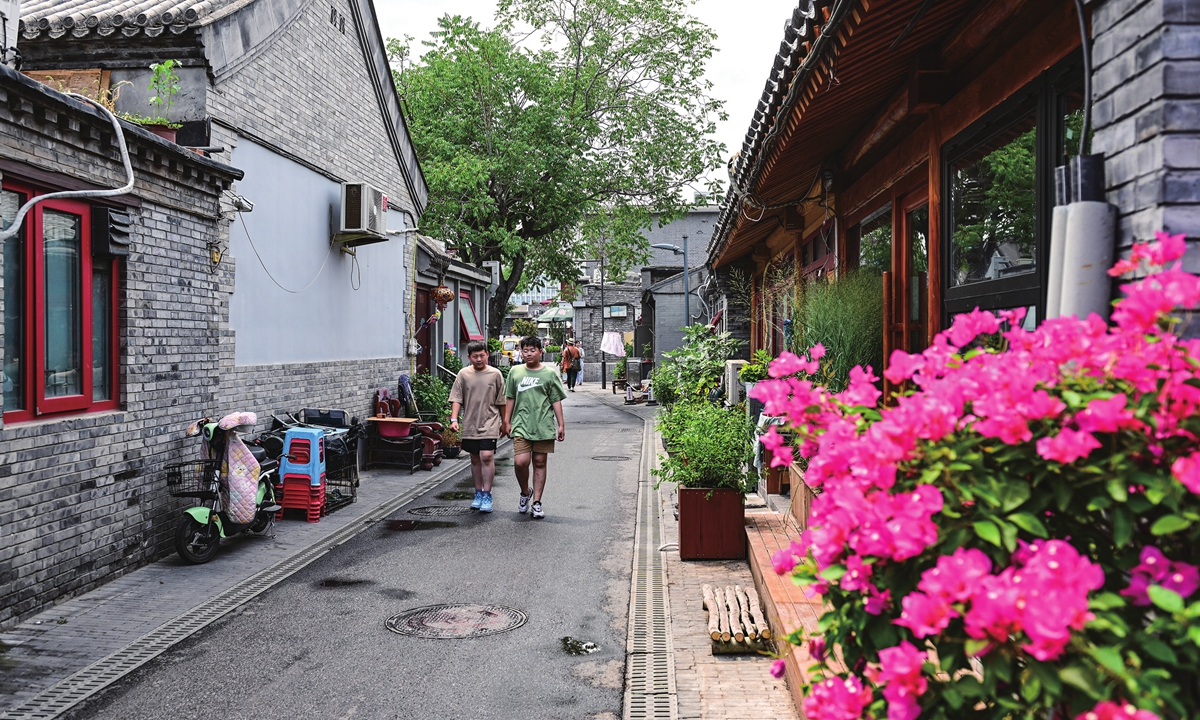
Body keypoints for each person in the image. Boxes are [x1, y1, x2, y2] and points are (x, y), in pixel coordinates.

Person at [502, 336, 566, 519]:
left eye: (532, 350)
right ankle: (525, 492)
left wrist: (561, 424)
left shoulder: (549, 373)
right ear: (521, 352)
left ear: (540, 352)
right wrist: (506, 421)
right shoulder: (515, 372)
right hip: (521, 424)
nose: (528, 354)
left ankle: (537, 502)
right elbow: (510, 397)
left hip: (543, 424)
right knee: (520, 462)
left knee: (539, 462)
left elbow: (555, 399)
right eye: (525, 350)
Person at [449, 340, 507, 513]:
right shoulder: (463, 374)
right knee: (474, 458)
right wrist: (454, 419)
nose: (479, 359)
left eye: (482, 355)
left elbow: (502, 400)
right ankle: (478, 493)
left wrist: (505, 422)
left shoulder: (495, 374)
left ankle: (487, 494)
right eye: (475, 356)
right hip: (470, 423)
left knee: (487, 456)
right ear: (469, 357)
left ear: (487, 355)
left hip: (490, 422)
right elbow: (457, 398)